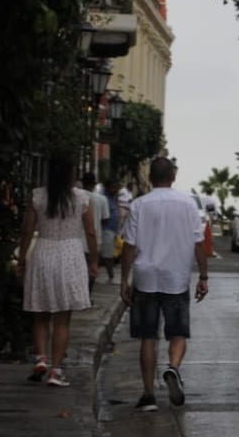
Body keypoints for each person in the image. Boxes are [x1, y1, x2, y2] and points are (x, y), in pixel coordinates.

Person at [120, 157, 208, 412]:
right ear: (173, 176)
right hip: (176, 279)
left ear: (150, 178)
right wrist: (203, 276)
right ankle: (173, 368)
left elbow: (129, 246)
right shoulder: (188, 204)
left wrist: (124, 280)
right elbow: (198, 243)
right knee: (178, 333)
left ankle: (148, 396)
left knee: (148, 337)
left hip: (145, 278)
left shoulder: (139, 205)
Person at [18, 158, 98, 387]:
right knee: (63, 319)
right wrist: (94, 260)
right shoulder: (82, 198)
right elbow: (91, 232)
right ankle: (56, 370)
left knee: (40, 313)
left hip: (43, 251)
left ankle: (41, 358)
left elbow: (27, 230)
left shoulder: (37, 196)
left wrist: (22, 258)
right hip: (70, 255)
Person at [81, 172, 109, 300]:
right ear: (94, 184)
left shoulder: (76, 197)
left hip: (76, 240)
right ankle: (87, 296)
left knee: (77, 270)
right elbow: (105, 219)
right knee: (92, 269)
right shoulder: (101, 199)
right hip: (94, 239)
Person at [101, 179, 120, 282]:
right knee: (108, 255)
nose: (116, 189)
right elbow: (104, 216)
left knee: (110, 253)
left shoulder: (113, 199)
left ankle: (110, 275)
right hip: (107, 229)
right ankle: (111, 276)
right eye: (114, 187)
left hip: (112, 230)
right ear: (108, 187)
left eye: (117, 187)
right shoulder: (105, 199)